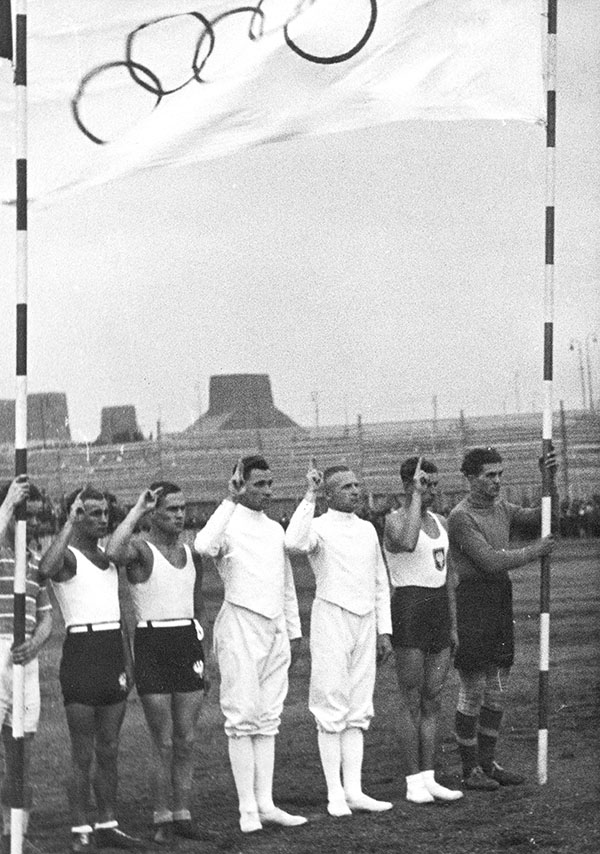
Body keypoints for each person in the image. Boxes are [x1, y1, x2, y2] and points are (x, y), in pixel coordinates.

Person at [194, 456, 306, 833]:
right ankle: (247, 809)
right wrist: (230, 499)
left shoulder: (274, 529)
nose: (267, 491)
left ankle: (265, 803)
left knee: (268, 717)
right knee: (242, 717)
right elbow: (203, 545)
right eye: (259, 484)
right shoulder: (227, 523)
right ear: (241, 485)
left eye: (270, 484)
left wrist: (293, 631)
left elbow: (286, 584)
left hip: (274, 628)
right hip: (240, 624)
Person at [285, 462, 393, 817]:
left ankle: (354, 791)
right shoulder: (317, 527)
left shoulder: (367, 529)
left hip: (365, 621)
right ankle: (335, 793)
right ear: (329, 495)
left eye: (357, 485)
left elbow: (380, 582)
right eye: (346, 487)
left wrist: (384, 630)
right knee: (331, 703)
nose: (355, 491)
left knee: (358, 707)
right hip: (331, 617)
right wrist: (309, 495)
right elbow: (293, 542)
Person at [39, 487, 143, 852]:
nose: (102, 519)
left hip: (113, 652)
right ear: (77, 515)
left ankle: (108, 823)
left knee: (110, 748)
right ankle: (80, 827)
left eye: (104, 513)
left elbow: (120, 615)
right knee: (82, 752)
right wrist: (68, 523)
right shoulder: (67, 557)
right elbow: (45, 569)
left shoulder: (108, 557)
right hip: (82, 654)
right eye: (92, 513)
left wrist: (129, 662)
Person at [448, 447, 556, 790]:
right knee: (473, 688)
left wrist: (548, 478)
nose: (496, 481)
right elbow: (489, 561)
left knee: (497, 689)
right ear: (470, 478)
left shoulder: (502, 508)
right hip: (472, 602)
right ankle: (470, 770)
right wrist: (534, 551)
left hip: (499, 600)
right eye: (489, 475)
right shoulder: (461, 517)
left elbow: (543, 517)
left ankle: (488, 763)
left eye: (500, 475)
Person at [105, 482, 207, 844]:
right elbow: (112, 551)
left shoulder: (192, 553)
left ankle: (183, 813)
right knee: (162, 740)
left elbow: (199, 607)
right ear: (153, 514)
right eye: (171, 509)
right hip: (153, 644)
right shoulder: (140, 550)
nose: (179, 515)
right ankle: (161, 816)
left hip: (187, 643)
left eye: (182, 508)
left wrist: (204, 654)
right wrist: (137, 509)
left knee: (187, 739)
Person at [383, 457, 463, 804]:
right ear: (408, 485)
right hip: (410, 607)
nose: (431, 490)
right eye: (424, 483)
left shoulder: (441, 522)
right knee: (410, 697)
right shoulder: (394, 520)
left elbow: (449, 578)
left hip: (438, 609)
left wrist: (453, 625)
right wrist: (415, 498)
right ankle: (413, 780)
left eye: (433, 484)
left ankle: (429, 777)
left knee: (433, 697)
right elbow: (408, 542)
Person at [0, 477, 53, 854]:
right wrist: (7, 505)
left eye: (37, 517)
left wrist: (34, 644)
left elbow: (46, 616)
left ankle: (16, 832)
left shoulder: (34, 560)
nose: (33, 524)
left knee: (22, 753)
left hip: (26, 658)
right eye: (27, 516)